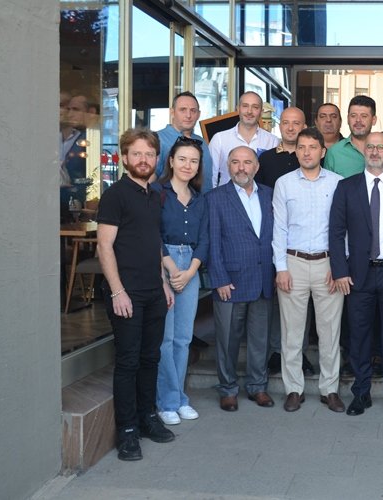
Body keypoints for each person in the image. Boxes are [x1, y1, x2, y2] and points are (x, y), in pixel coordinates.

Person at [96, 128, 176, 461]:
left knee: (150, 357)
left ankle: (147, 418)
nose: (143, 160)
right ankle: (127, 431)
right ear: (125, 158)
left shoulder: (154, 195)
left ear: (156, 158)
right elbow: (104, 246)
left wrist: (163, 282)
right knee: (128, 362)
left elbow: (153, 241)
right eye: (137, 154)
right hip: (125, 293)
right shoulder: (115, 195)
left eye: (149, 154)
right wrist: (118, 292)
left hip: (153, 291)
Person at [329, 132, 383, 418]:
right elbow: (336, 232)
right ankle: (360, 393)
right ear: (364, 151)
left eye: (381, 147)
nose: (375, 152)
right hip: (358, 275)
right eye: (371, 147)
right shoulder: (346, 187)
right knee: (359, 337)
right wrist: (339, 271)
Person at [273, 128, 345, 413]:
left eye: (312, 147)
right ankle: (294, 389)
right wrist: (281, 268)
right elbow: (279, 228)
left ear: (323, 151)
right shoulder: (284, 184)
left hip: (328, 264)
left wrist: (339, 265)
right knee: (292, 332)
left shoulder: (338, 183)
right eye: (301, 147)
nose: (306, 152)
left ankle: (330, 389)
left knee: (330, 331)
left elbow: (343, 229)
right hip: (294, 263)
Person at [207, 146, 276, 412]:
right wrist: (219, 279)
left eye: (247, 162)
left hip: (263, 279)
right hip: (230, 282)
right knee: (227, 341)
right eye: (235, 162)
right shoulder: (215, 198)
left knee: (260, 340)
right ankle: (228, 389)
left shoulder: (269, 194)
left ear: (256, 167)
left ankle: (257, 386)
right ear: (228, 166)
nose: (241, 167)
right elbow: (213, 242)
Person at [254, 106, 315, 377]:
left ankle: (300, 353)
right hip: (272, 235)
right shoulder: (266, 159)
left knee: (302, 301)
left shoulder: (311, 156)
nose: (290, 128)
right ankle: (276, 352)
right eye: (286, 123)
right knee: (278, 299)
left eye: (296, 123)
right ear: (280, 126)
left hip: (304, 241)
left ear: (304, 126)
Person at [154, 136, 209, 425]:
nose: (188, 165)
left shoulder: (200, 199)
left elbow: (205, 239)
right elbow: (152, 234)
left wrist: (189, 272)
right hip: (164, 263)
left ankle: (179, 398)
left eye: (194, 161)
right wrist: (171, 267)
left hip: (191, 267)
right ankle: (167, 401)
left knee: (183, 338)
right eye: (183, 159)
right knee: (165, 339)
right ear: (171, 161)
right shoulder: (157, 193)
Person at [209, 91, 279, 187]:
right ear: (238, 109)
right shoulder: (219, 139)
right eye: (245, 106)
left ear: (261, 111)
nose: (249, 111)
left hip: (260, 196)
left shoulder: (273, 141)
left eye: (255, 107)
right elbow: (211, 177)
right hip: (225, 196)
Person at [153, 91, 214, 193]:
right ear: (172, 112)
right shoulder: (157, 139)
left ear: (198, 115)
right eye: (183, 110)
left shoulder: (202, 142)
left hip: (203, 201)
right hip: (168, 201)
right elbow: (148, 180)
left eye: (193, 111)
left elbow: (207, 180)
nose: (188, 115)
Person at [325, 95, 383, 177]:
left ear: (373, 120)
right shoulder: (334, 152)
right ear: (347, 119)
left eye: (364, 116)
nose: (358, 120)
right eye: (353, 115)